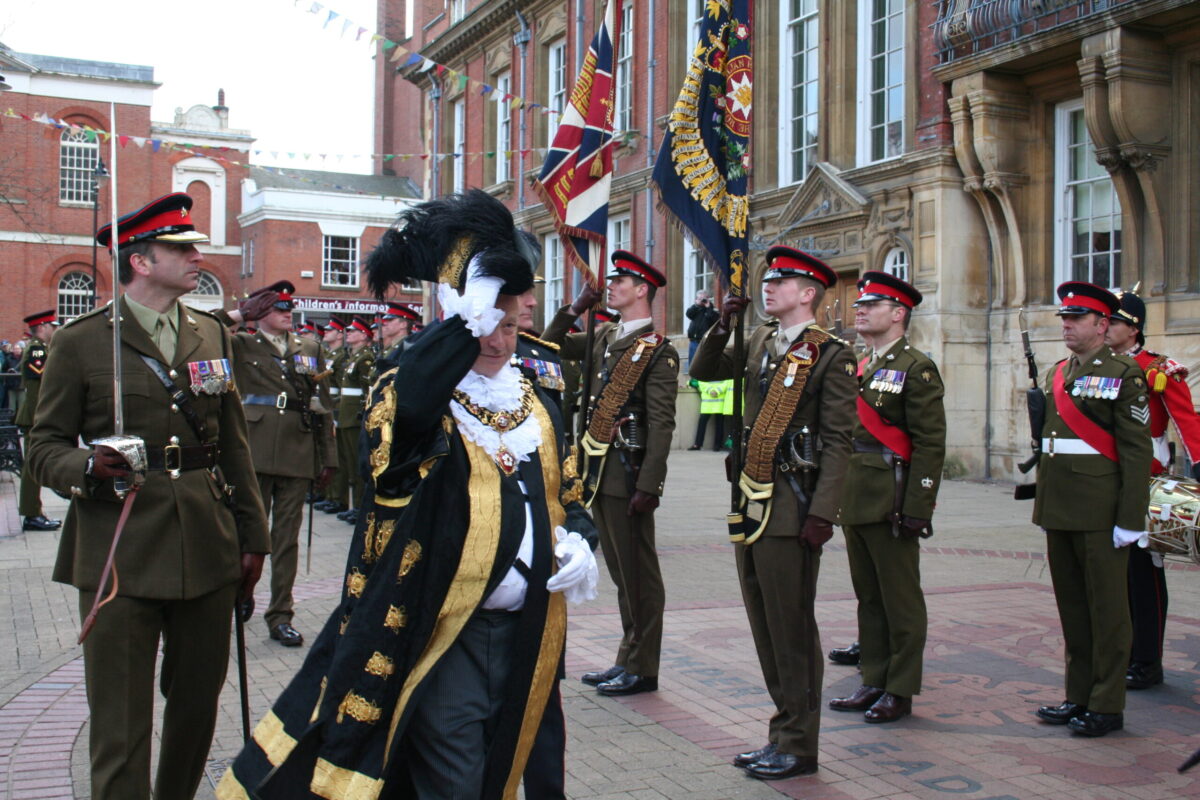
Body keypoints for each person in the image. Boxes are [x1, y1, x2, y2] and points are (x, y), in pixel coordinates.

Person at [216, 189, 598, 800]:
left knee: (515, 760)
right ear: (459, 315)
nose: (498, 340)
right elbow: (403, 433)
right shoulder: (411, 390)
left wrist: (581, 537)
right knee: (454, 777)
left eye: (510, 322)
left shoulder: (537, 399)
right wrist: (460, 325)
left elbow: (569, 488)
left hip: (530, 627)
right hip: (443, 629)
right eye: (485, 322)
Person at [27, 192, 270, 800]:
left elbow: (234, 445)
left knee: (195, 709)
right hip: (120, 550)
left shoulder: (209, 332)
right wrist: (85, 464)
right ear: (140, 260)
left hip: (207, 546)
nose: (197, 257)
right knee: (121, 722)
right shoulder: (82, 341)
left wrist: (253, 538)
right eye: (181, 249)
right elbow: (43, 445)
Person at [690, 245, 855, 781]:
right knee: (764, 622)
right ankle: (780, 729)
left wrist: (823, 514)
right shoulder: (759, 340)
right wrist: (723, 322)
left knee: (791, 626)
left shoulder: (831, 353)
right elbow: (704, 369)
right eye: (768, 280)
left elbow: (838, 441)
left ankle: (800, 743)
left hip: (792, 504)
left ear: (808, 293)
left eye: (781, 282)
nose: (769, 287)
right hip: (751, 496)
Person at [544, 250, 678, 697]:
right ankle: (627, 655)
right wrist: (576, 307)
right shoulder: (605, 336)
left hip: (627, 472)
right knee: (623, 572)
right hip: (597, 469)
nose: (612, 285)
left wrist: (649, 485)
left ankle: (643, 665)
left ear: (643, 290)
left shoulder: (657, 351)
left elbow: (661, 423)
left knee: (639, 573)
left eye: (622, 280)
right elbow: (550, 344)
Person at [1032, 281, 1151, 738]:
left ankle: (1106, 703)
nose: (1066, 324)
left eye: (1076, 318)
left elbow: (1136, 452)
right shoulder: (1057, 372)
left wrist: (1130, 519)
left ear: (1102, 325)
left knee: (1108, 611)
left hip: (1102, 511)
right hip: (1059, 507)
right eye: (1064, 317)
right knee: (1073, 608)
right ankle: (1077, 693)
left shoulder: (1124, 372)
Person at [828, 272, 945, 723]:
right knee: (869, 597)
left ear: (898, 314)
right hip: (856, 494)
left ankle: (900, 687)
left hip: (892, 497)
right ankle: (873, 678)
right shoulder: (862, 365)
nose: (860, 310)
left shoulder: (917, 367)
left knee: (900, 599)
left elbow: (930, 445)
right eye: (860, 304)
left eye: (872, 305)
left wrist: (919, 506)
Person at [221, 280, 338, 647]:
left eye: (289, 308)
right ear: (259, 313)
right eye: (277, 308)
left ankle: (281, 613)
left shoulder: (311, 348)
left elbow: (322, 408)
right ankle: (242, 592)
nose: (287, 313)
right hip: (252, 449)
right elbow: (207, 328)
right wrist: (240, 313)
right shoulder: (240, 344)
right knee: (248, 534)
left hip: (298, 450)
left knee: (286, 540)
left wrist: (327, 459)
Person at [1106, 288, 1200, 691]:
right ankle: (1120, 653)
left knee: (1143, 575)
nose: (1105, 327)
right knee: (1110, 575)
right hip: (1103, 482)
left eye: (1114, 321)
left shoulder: (1158, 369)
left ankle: (1147, 659)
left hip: (1145, 480)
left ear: (1134, 327)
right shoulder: (1095, 367)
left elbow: (1186, 422)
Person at [14, 309, 62, 531]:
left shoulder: (40, 349)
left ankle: (35, 511)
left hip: (35, 415)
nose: (54, 330)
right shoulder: (36, 350)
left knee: (32, 466)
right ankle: (31, 514)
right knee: (32, 468)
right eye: (52, 327)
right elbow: (41, 385)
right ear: (42, 327)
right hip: (35, 415)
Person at [334, 316, 375, 525]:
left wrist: (362, 414)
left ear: (364, 336)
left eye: (353, 331)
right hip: (344, 415)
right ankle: (353, 505)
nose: (348, 334)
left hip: (354, 417)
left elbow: (366, 391)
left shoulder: (364, 359)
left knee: (357, 466)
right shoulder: (353, 358)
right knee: (347, 462)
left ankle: (359, 506)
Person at [316, 317, 351, 515]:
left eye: (331, 330)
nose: (325, 333)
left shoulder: (341, 357)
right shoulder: (329, 355)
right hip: (330, 407)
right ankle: (329, 495)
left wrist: (333, 407)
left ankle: (338, 498)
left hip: (339, 410)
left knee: (342, 458)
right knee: (329, 454)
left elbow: (340, 387)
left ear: (339, 334)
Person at [688, 377, 731, 451]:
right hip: (714, 401)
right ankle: (712, 445)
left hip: (714, 402)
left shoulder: (719, 368)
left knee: (718, 424)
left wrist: (715, 391)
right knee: (708, 423)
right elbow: (700, 381)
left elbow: (728, 382)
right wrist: (713, 391)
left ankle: (714, 445)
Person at [685, 290, 719, 362]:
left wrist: (708, 307)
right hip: (694, 342)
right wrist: (696, 305)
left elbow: (713, 319)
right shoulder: (696, 310)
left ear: (708, 298)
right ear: (696, 299)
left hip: (706, 342)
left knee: (703, 364)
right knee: (692, 364)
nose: (702, 300)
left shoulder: (713, 310)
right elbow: (688, 314)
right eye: (699, 298)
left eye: (704, 298)